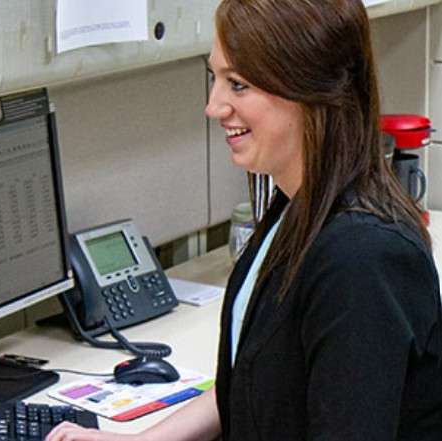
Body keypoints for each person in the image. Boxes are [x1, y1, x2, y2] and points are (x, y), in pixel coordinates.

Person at [46, 0, 442, 440]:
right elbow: (256, 378)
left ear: (309, 89)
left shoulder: (362, 260)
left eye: (238, 85)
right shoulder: (295, 209)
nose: (213, 106)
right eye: (215, 79)